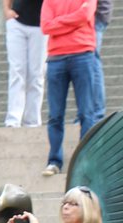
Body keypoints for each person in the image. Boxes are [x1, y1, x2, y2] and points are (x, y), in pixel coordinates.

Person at [38, 0, 103, 176]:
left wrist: (59, 23)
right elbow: (45, 26)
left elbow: (85, 16)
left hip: (82, 54)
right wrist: (73, 23)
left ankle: (85, 160)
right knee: (55, 115)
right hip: (56, 58)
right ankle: (54, 161)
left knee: (86, 113)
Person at [2, 0, 46, 129]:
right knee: (17, 70)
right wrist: (7, 9)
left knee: (37, 73)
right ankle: (13, 119)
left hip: (41, 25)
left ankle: (32, 121)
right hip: (17, 21)